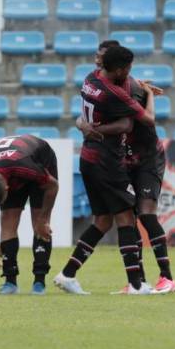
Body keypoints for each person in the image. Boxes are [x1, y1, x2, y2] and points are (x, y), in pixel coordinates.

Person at [54, 45, 157, 295]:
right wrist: (149, 94)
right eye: (128, 68)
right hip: (106, 161)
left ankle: (67, 274)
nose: (130, 71)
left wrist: (85, 126)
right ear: (120, 69)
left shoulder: (91, 79)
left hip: (88, 158)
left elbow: (84, 118)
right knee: (126, 218)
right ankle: (135, 284)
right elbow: (141, 121)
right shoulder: (115, 94)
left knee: (102, 221)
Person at [76, 42, 175, 294]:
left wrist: (149, 95)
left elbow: (138, 123)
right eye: (96, 54)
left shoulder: (129, 89)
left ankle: (167, 278)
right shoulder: (103, 85)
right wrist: (83, 124)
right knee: (127, 217)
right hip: (122, 159)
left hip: (146, 158)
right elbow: (85, 116)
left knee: (145, 212)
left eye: (100, 55)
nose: (96, 59)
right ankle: (138, 282)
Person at [0, 134, 59, 295]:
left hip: (39, 158)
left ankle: (39, 282)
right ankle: (10, 281)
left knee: (38, 222)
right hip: (9, 166)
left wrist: (44, 219)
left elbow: (53, 186)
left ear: (7, 189)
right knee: (8, 219)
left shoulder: (25, 168)